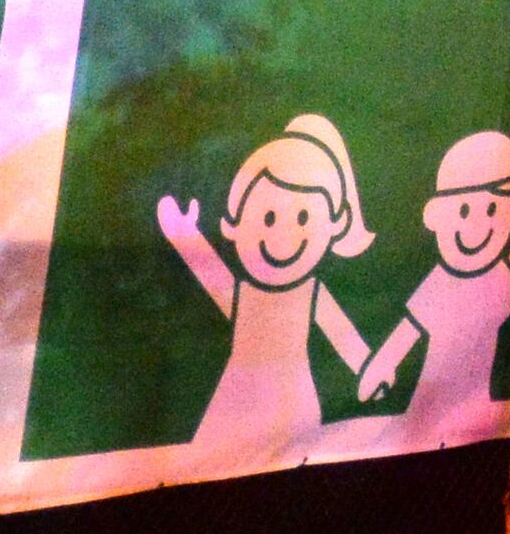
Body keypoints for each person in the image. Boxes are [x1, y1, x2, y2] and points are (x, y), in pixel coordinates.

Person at [156, 113, 376, 461]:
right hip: (237, 395)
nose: (282, 236)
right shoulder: (245, 294)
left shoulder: (312, 293)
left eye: (303, 218)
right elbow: (213, 276)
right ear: (233, 225)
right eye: (269, 217)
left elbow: (343, 336)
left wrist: (369, 369)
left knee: (296, 459)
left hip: (295, 401)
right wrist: (183, 234)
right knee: (216, 460)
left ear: (334, 225)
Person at [359, 129, 510, 441]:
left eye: (492, 209)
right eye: (464, 210)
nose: (476, 225)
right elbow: (408, 329)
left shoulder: (501, 275)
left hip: (485, 421)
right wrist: (381, 364)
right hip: (429, 417)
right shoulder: (441, 281)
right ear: (439, 217)